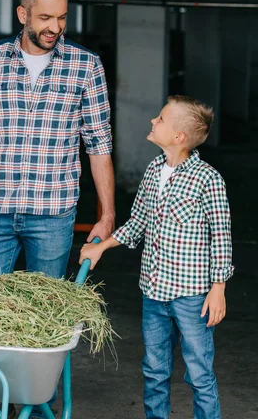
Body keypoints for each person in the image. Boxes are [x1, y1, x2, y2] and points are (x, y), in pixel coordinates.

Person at [0, 0, 115, 418]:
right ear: (22, 13)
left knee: (46, 322)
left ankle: (38, 405)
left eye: (61, 17)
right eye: (44, 17)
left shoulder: (85, 66)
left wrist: (106, 214)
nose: (54, 27)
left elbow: (99, 147)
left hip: (53, 213)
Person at [79, 95, 234, 419]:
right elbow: (137, 224)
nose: (153, 121)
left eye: (161, 119)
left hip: (193, 297)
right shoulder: (152, 170)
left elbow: (220, 236)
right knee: (154, 371)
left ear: (179, 137)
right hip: (154, 294)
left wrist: (218, 287)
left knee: (199, 375)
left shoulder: (208, 180)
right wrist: (101, 246)